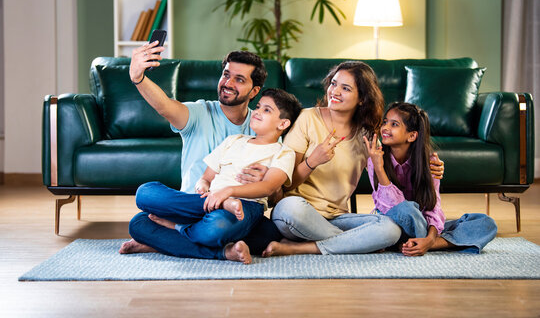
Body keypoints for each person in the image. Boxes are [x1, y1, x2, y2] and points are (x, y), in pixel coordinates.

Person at [119, 41, 283, 261]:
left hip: (235, 210)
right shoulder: (198, 112)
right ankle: (222, 249)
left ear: (254, 91)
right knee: (142, 205)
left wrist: (267, 184)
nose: (228, 83)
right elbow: (165, 106)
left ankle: (168, 241)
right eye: (226, 74)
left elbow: (275, 197)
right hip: (189, 205)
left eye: (239, 79)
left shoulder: (266, 128)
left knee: (264, 233)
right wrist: (138, 77)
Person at [263, 62, 445, 257]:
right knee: (290, 210)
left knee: (390, 229)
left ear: (362, 99)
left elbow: (395, 163)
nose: (335, 91)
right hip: (297, 212)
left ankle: (302, 247)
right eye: (333, 83)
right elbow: (285, 184)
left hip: (337, 217)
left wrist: (429, 164)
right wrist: (312, 161)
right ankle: (359, 241)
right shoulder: (308, 118)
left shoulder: (366, 134)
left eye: (346, 88)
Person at [139, 88, 302, 264]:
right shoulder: (233, 140)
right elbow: (207, 177)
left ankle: (177, 229)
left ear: (283, 124)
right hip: (207, 201)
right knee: (144, 197)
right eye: (259, 106)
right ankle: (225, 247)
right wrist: (203, 184)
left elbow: (269, 187)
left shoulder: (283, 152)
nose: (257, 111)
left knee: (213, 230)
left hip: (245, 206)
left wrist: (228, 191)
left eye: (267, 110)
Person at [363, 102, 497, 256]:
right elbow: (392, 207)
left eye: (394, 124)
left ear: (412, 135)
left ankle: (426, 244)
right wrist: (379, 169)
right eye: (385, 122)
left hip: (422, 224)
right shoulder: (376, 159)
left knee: (486, 223)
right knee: (407, 209)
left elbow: (433, 206)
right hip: (391, 225)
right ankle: (419, 241)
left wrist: (431, 238)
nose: (385, 128)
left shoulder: (430, 162)